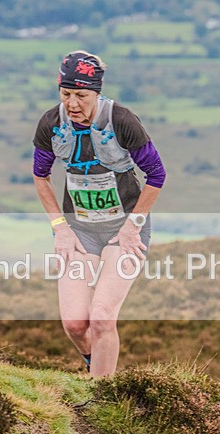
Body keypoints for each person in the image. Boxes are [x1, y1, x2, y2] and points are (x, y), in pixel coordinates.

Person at [32, 51, 166, 378]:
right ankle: (97, 365)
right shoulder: (52, 124)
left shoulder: (121, 120)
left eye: (81, 96)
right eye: (66, 95)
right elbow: (40, 176)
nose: (73, 103)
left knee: (102, 317)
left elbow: (157, 176)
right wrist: (60, 229)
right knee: (76, 324)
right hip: (80, 230)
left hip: (125, 229)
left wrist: (133, 227)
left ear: (97, 92)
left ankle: (102, 397)